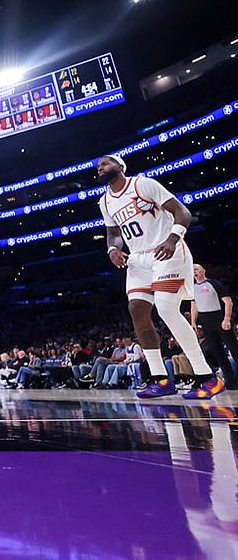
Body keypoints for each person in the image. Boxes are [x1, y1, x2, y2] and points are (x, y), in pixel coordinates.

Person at [97, 154, 224, 399]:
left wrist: (172, 239)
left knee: (166, 309)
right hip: (138, 258)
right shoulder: (104, 201)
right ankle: (161, 378)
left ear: (120, 166)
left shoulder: (143, 184)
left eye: (105, 163)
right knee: (137, 309)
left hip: (167, 250)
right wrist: (112, 249)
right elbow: (113, 233)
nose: (100, 168)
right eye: (98, 166)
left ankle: (207, 376)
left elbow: (183, 213)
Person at [191, 263, 237, 389]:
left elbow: (228, 301)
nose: (194, 271)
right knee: (217, 351)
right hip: (205, 321)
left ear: (203, 271)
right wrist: (193, 322)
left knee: (234, 347)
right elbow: (194, 304)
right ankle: (230, 380)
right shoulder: (192, 288)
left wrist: (226, 319)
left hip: (218, 317)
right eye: (192, 269)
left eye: (197, 268)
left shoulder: (214, 283)